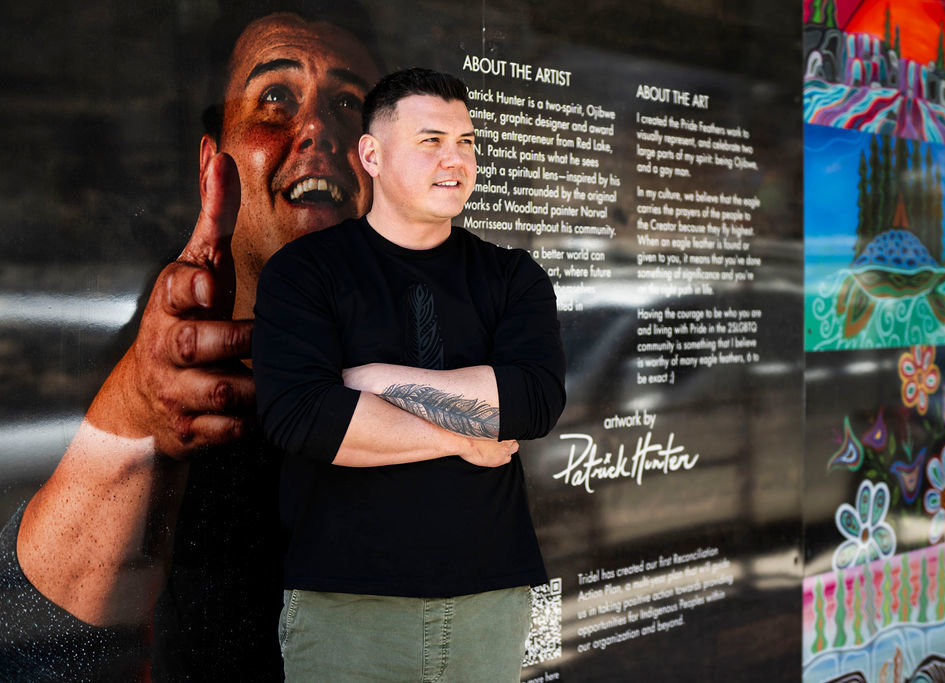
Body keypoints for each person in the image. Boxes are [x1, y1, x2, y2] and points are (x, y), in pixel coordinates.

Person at [0, 4, 378, 680]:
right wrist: (139, 412)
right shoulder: (159, 373)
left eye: (350, 103)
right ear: (215, 163)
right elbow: (35, 644)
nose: (318, 126)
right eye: (275, 99)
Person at [252, 67, 566, 681]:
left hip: (491, 595)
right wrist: (462, 435)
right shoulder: (305, 273)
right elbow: (304, 417)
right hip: (346, 602)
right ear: (370, 153)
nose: (456, 159)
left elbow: (531, 401)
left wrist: (372, 379)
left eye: (467, 141)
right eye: (432, 141)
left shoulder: (512, 276)